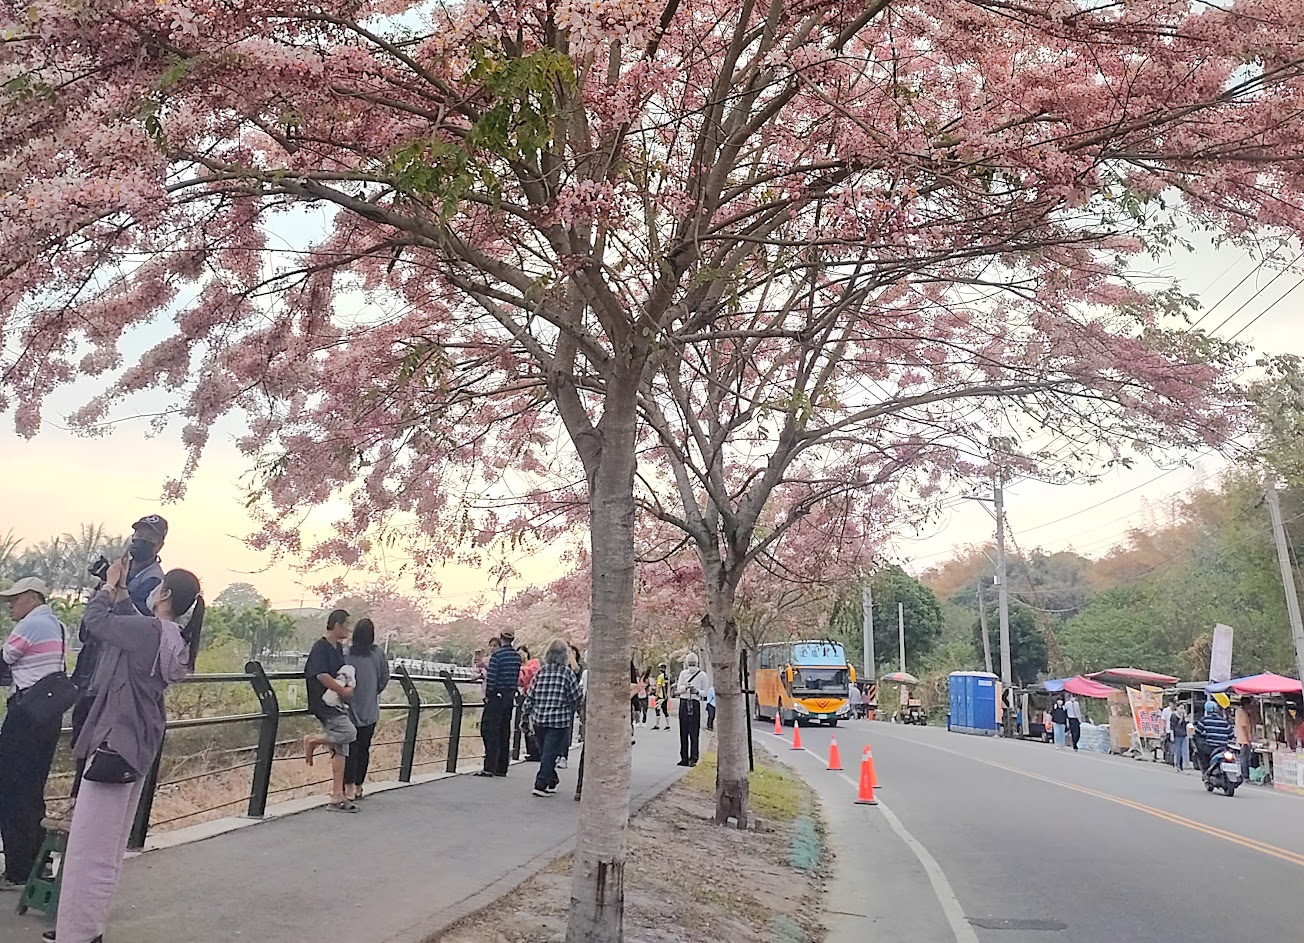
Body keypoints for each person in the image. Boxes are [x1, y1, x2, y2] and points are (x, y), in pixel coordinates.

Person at [51, 560, 203, 943]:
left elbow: (97, 622)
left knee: (88, 848)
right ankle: (89, 927)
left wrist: (108, 585)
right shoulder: (173, 637)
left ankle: (78, 933)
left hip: (114, 741)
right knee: (109, 846)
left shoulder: (148, 631)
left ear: (164, 594)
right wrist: (120, 592)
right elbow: (129, 623)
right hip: (138, 743)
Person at [67, 514, 168, 805]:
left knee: (100, 746)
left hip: (116, 678)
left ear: (160, 543)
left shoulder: (155, 583)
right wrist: (108, 584)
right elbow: (91, 624)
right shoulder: (122, 569)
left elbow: (136, 624)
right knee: (82, 737)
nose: (140, 540)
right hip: (93, 669)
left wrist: (113, 589)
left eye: (149, 536)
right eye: (138, 533)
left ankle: (86, 809)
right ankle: (77, 804)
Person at [0, 576, 67, 891]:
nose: (10, 606)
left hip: (25, 716)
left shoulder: (31, 624)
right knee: (31, 791)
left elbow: (4, 659)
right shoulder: (57, 625)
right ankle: (37, 866)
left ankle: (18, 871)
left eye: (14, 599)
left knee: (11, 790)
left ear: (32, 597)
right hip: (46, 716)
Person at [302, 610, 358, 812]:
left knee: (341, 748)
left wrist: (347, 689)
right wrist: (342, 691)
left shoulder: (338, 648)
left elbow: (341, 673)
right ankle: (313, 740)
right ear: (336, 625)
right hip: (323, 702)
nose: (348, 629)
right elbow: (321, 675)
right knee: (349, 733)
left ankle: (337, 795)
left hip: (337, 701)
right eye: (346, 625)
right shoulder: (321, 647)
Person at [525, 639, 581, 797]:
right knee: (549, 753)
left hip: (539, 718)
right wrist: (574, 708)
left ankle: (551, 780)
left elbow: (530, 696)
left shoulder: (541, 672)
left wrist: (525, 715)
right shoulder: (567, 673)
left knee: (546, 752)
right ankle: (541, 783)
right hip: (558, 720)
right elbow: (576, 696)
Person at [344, 618, 390, 802]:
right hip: (370, 710)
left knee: (349, 749)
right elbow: (384, 677)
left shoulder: (347, 653)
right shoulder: (378, 654)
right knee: (364, 749)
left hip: (349, 709)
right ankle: (358, 786)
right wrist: (374, 691)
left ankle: (347, 787)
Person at [476, 630, 521, 777]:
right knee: (504, 731)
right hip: (509, 696)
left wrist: (488, 695)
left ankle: (490, 766)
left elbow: (493, 677)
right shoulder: (516, 657)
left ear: (501, 638)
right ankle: (502, 767)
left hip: (496, 696)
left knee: (489, 730)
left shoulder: (497, 655)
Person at [674, 653, 710, 767]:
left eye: (693, 663)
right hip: (684, 702)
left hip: (694, 702)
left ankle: (693, 758)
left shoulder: (702, 675)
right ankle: (684, 757)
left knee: (694, 732)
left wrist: (697, 691)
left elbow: (705, 692)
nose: (691, 666)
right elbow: (679, 688)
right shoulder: (683, 674)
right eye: (690, 663)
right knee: (683, 731)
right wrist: (686, 688)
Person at [1194, 699, 1233, 775]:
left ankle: (1206, 772)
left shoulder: (1204, 720)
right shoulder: (1224, 721)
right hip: (1223, 747)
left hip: (1210, 747)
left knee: (1201, 755)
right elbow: (1231, 735)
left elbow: (1197, 732)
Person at [517, 645, 541, 762]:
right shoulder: (520, 668)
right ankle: (530, 751)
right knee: (525, 723)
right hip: (524, 695)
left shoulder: (534, 662)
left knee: (534, 724)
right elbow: (520, 681)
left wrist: (522, 669)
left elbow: (532, 672)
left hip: (534, 696)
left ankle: (537, 751)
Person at [1234, 696, 1257, 782]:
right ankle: (1245, 775)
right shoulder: (1243, 713)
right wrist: (1248, 740)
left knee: (1244, 758)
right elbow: (1244, 727)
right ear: (1246, 704)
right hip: (1244, 740)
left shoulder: (1238, 712)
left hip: (1241, 738)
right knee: (1244, 758)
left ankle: (1245, 774)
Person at [1170, 704, 1189, 773]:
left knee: (1185, 752)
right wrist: (1172, 735)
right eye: (1181, 708)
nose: (1182, 710)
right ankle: (1176, 765)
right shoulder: (1173, 716)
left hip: (1184, 735)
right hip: (1177, 735)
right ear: (1177, 708)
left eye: (1183, 708)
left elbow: (1187, 723)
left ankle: (1185, 767)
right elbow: (1172, 726)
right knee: (1177, 751)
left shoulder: (1183, 716)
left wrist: (1185, 715)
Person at [652, 663, 671, 730]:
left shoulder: (660, 676)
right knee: (665, 710)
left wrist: (656, 695)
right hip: (665, 696)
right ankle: (668, 725)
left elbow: (659, 686)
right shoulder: (666, 676)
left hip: (660, 696)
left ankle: (657, 725)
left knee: (657, 710)